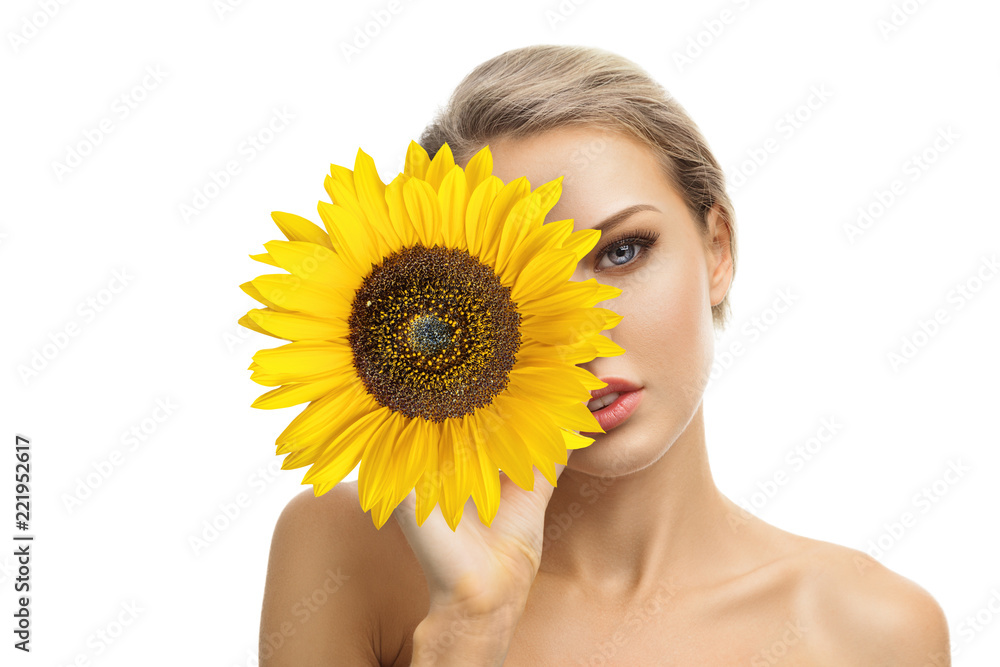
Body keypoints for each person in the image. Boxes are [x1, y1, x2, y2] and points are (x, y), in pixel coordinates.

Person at [258, 44, 951, 665]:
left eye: (622, 252)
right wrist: (469, 625)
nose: (580, 336)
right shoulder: (350, 551)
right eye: (525, 286)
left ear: (717, 248)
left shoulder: (870, 630)